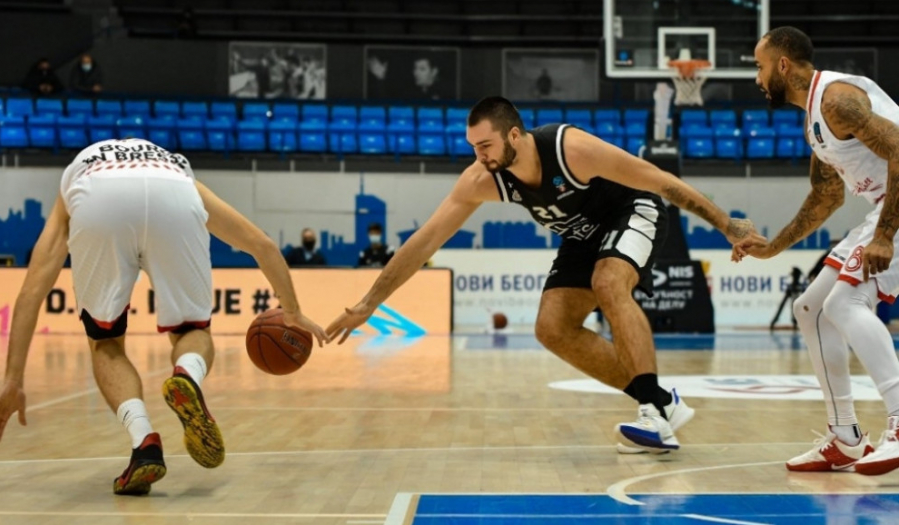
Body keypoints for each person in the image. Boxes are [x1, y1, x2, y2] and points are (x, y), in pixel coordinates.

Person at [327, 96, 763, 452]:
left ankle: (652, 411)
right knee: (551, 328)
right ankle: (662, 403)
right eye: (473, 147)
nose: (479, 156)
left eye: (485, 145)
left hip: (634, 210)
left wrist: (728, 225)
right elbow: (425, 240)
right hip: (581, 236)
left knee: (609, 282)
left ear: (514, 135)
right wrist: (369, 303)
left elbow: (658, 179)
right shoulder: (482, 179)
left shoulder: (570, 148)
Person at [0, 138, 328, 495]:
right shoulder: (176, 170)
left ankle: (144, 443)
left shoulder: (77, 173)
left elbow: (32, 291)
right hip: (174, 200)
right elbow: (262, 245)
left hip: (99, 200)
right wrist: (292, 311)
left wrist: (13, 378)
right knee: (191, 331)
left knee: (105, 341)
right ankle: (187, 374)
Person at [736, 26, 899, 475]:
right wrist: (772, 248)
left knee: (844, 303)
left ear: (782, 65)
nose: (757, 77)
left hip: (893, 210)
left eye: (759, 66)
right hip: (885, 207)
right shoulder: (815, 118)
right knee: (810, 309)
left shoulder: (837, 100)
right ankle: (846, 437)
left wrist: (884, 235)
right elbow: (826, 197)